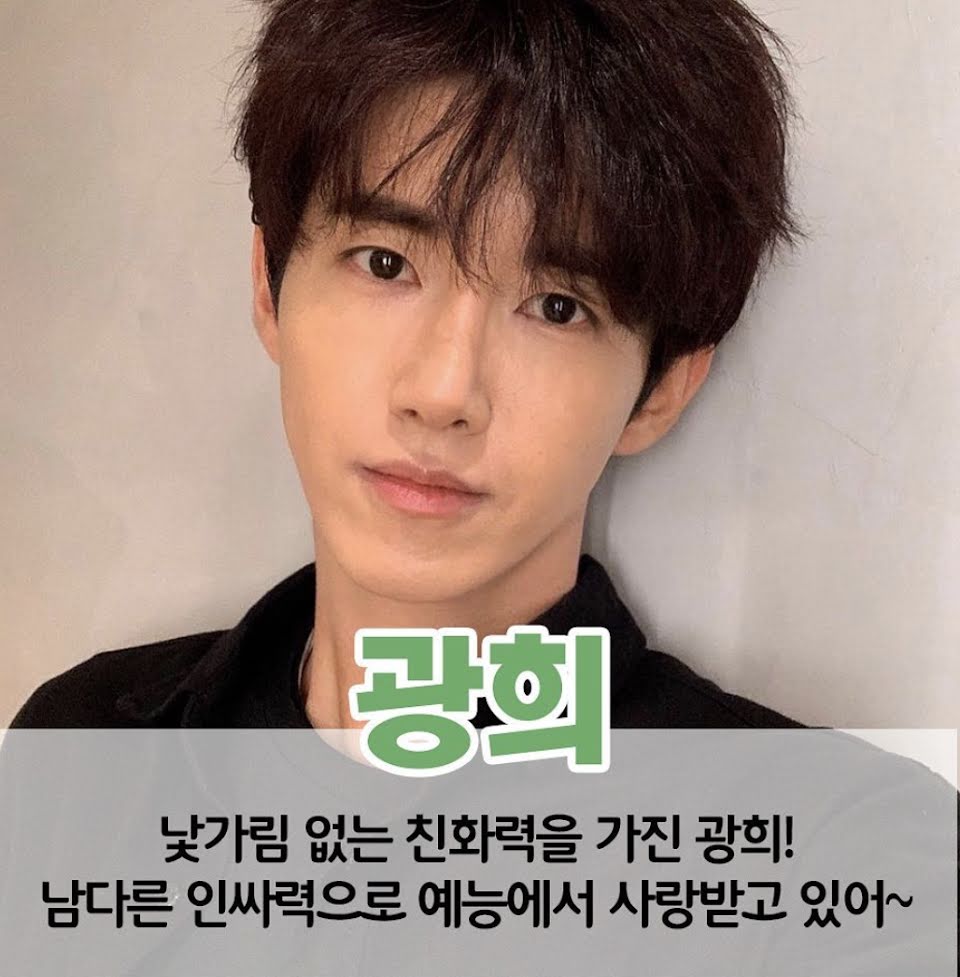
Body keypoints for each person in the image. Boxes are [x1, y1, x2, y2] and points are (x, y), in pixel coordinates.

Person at [10, 0, 805, 732]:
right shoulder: (81, 739)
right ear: (268, 285)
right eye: (385, 263)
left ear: (663, 388)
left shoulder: (811, 823)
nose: (442, 392)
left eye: (558, 307)